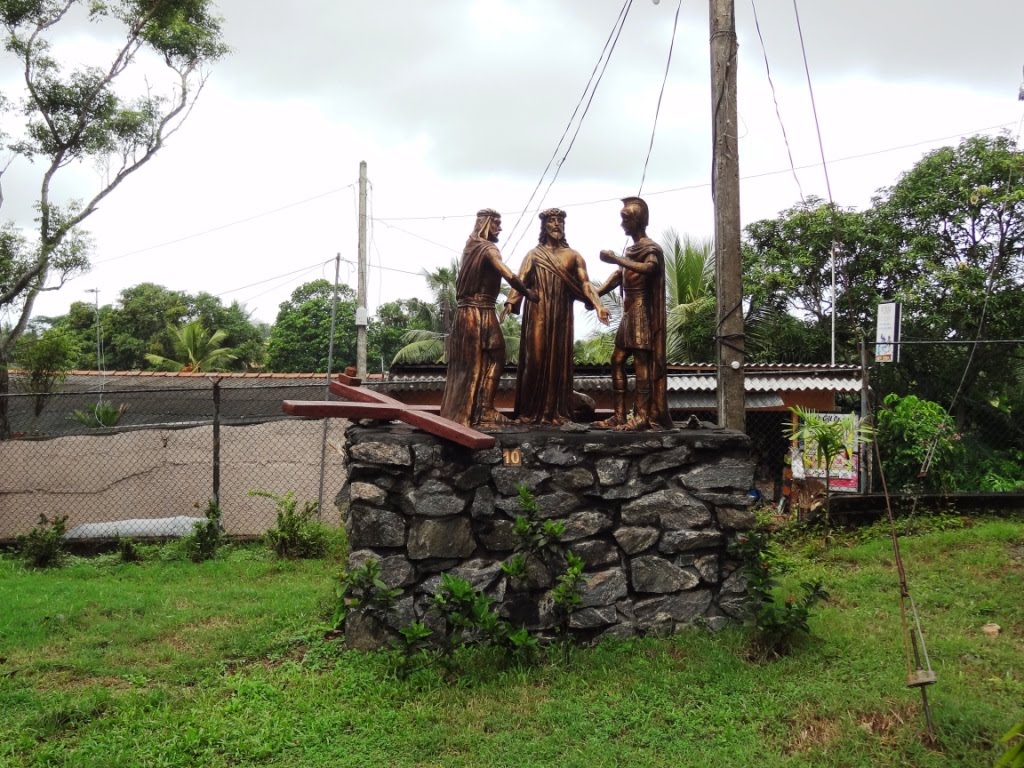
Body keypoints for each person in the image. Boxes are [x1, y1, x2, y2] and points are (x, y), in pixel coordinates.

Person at [502, 208, 609, 425]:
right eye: (552, 221)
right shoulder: (533, 254)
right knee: (535, 359)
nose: (557, 225)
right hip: (538, 311)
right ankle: (528, 412)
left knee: (559, 361)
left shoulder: (574, 256)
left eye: (560, 221)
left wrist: (599, 305)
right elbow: (521, 280)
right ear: (544, 226)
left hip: (561, 314)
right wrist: (510, 302)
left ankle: (556, 412)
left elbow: (585, 284)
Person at [439, 209, 537, 428]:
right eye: (496, 224)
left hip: (470, 311)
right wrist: (527, 292)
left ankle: (480, 408)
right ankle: (483, 410)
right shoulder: (488, 249)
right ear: (485, 225)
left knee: (483, 358)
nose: (499, 228)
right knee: (494, 355)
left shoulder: (470, 248)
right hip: (479, 311)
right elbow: (508, 274)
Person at [595, 196, 673, 431]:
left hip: (642, 312)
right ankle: (619, 415)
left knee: (642, 364)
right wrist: (595, 295)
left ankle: (642, 416)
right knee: (616, 361)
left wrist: (616, 258)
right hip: (629, 313)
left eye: (625, 220)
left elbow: (650, 269)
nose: (622, 225)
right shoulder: (631, 251)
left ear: (637, 221)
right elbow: (620, 275)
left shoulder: (651, 249)